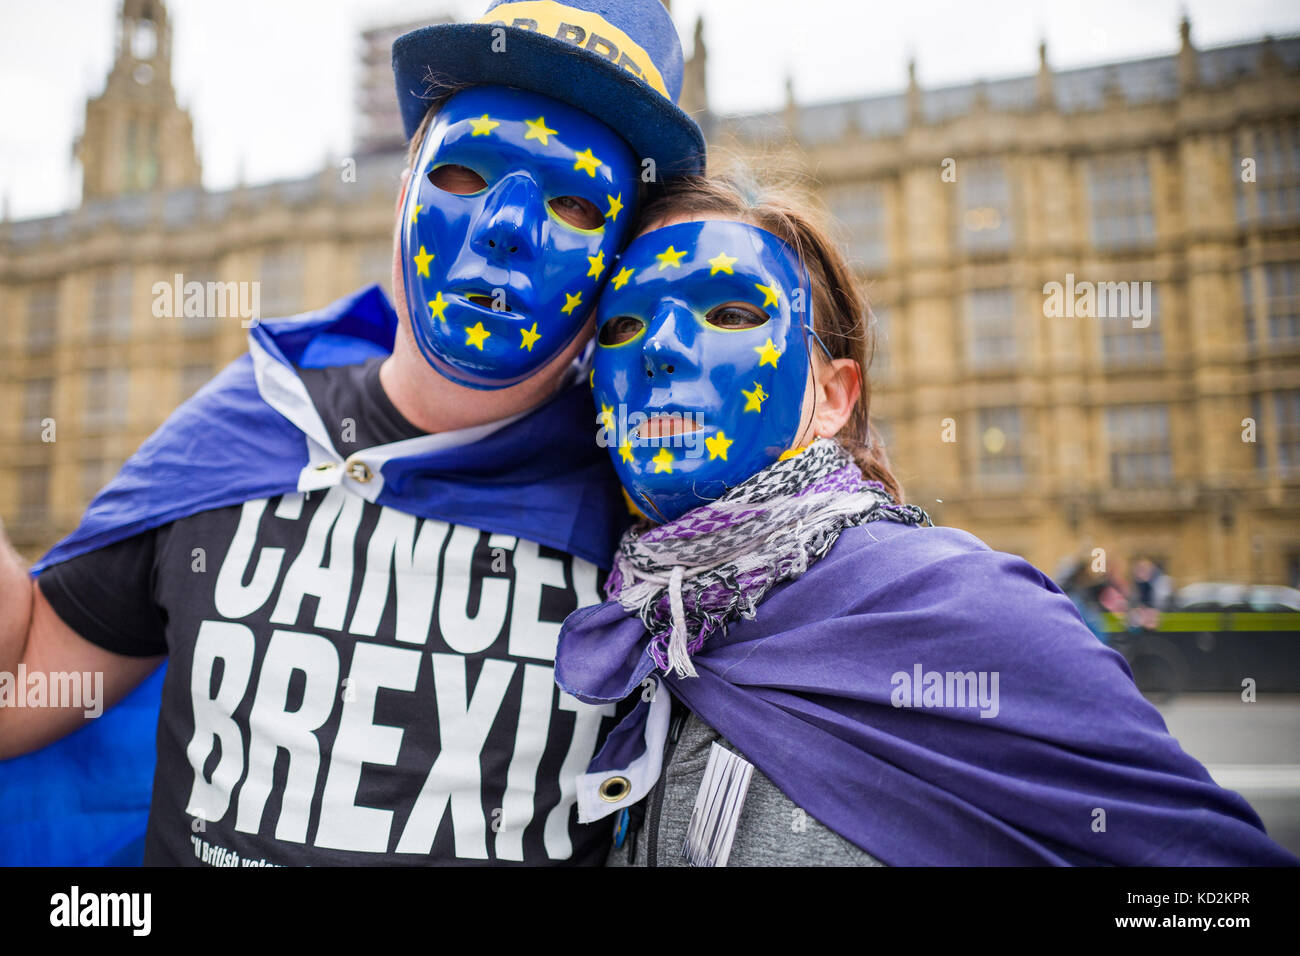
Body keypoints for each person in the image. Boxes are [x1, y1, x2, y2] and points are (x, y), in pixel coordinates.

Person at [0, 0, 705, 866]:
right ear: (404, 181)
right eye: (466, 173)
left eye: (575, 203)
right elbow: (15, 690)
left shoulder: (660, 517)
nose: (508, 228)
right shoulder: (248, 425)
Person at [554, 172, 1299, 866]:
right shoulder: (626, 632)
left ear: (833, 396)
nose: (661, 350)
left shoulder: (967, 604)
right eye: (621, 326)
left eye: (733, 313)